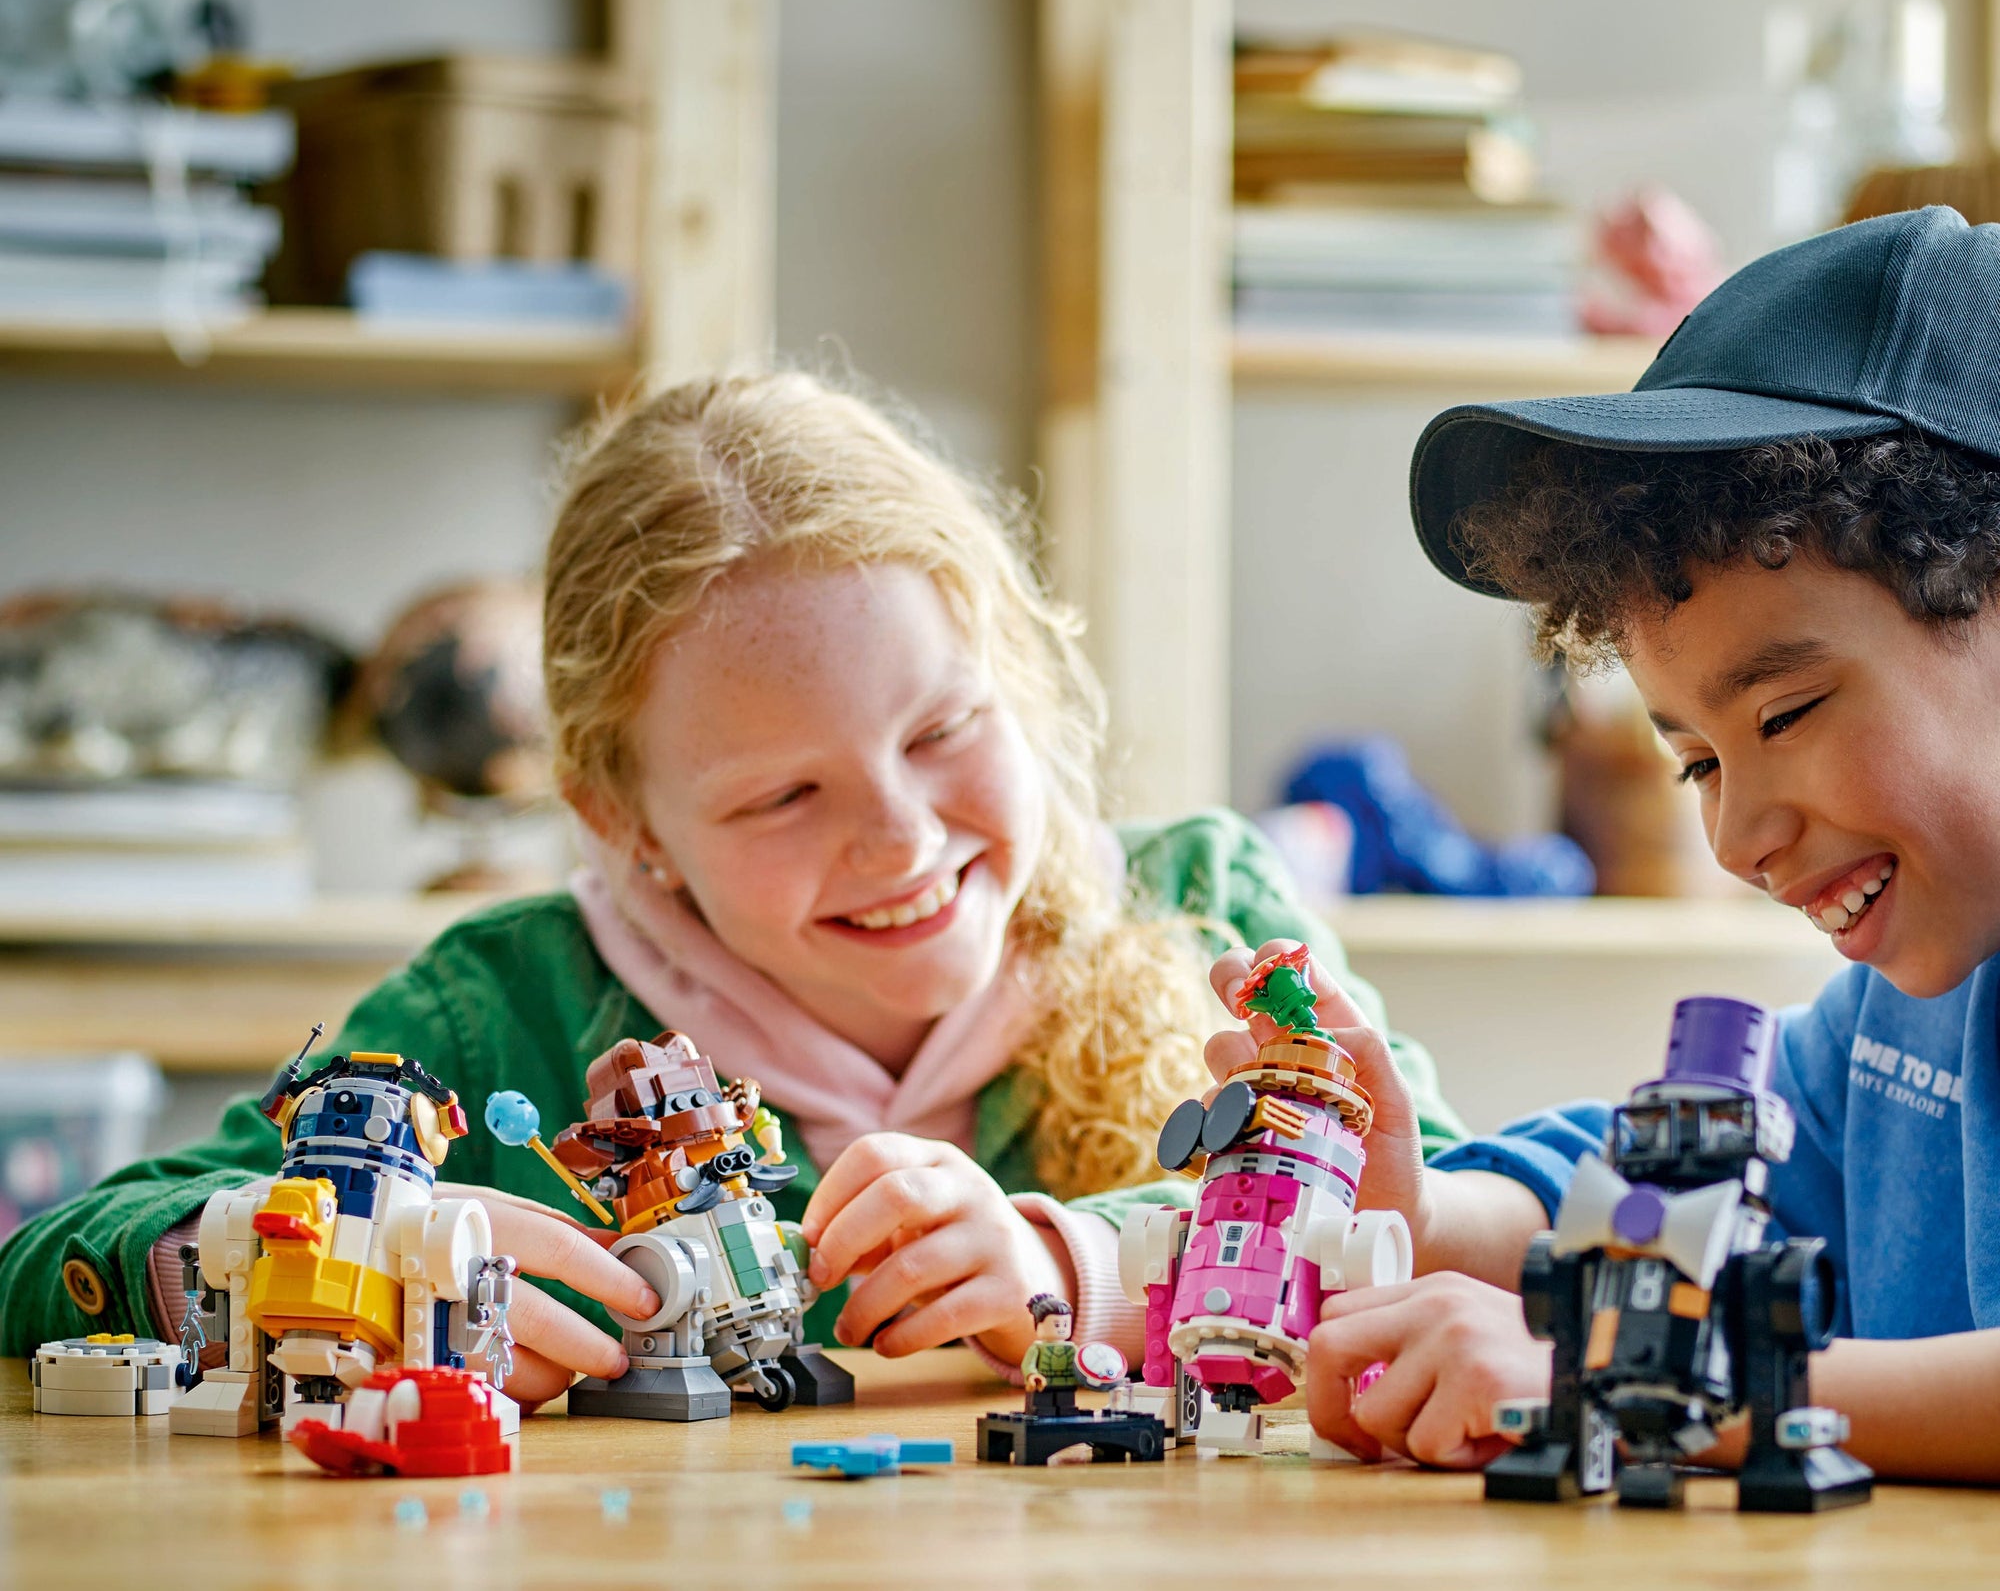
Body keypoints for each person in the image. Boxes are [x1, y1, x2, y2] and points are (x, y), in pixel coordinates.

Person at [0, 369, 1467, 1411]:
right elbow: (44, 1269)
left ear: (1012, 675)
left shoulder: (1206, 909)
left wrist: (1079, 1263)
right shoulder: (498, 1011)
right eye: (781, 796)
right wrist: (343, 1255)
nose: (898, 840)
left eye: (944, 730)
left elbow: (1444, 1217)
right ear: (620, 818)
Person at [1285, 207, 2000, 1484]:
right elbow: (1685, 1187)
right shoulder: (1904, 1025)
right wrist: (1427, 1215)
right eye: (1698, 762)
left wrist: (1640, 1382)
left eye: (1784, 713)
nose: (1737, 836)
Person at [1020, 1293, 1080, 1417]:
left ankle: (1067, 1418)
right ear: (1038, 1325)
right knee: (1041, 1407)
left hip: (1067, 1383)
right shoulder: (1037, 1348)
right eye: (1056, 1325)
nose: (1061, 1328)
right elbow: (1028, 1364)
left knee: (1067, 1406)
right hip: (1043, 1384)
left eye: (1065, 1324)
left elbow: (1081, 1361)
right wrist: (1032, 1375)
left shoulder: (1072, 1348)